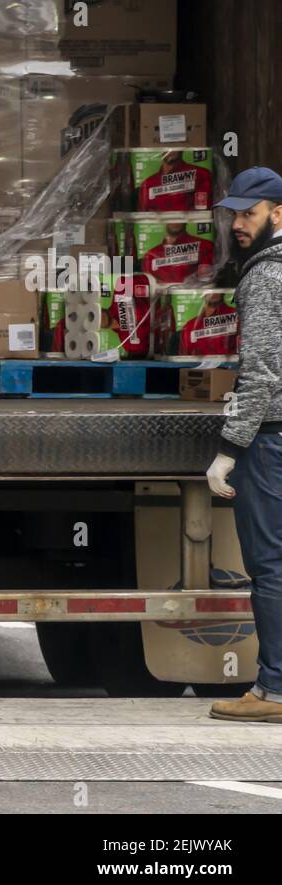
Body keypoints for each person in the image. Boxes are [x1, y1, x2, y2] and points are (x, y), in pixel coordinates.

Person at [203, 166, 282, 724]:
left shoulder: (267, 277)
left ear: (279, 213)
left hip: (272, 442)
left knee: (270, 565)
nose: (237, 224)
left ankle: (273, 691)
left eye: (249, 214)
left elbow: (261, 374)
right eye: (233, 214)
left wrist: (230, 448)